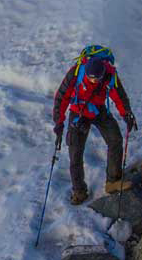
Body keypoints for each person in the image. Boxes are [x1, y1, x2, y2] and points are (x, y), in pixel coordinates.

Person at [53, 44, 137, 204]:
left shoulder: (109, 75)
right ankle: (79, 191)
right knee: (75, 152)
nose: (93, 80)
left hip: (98, 110)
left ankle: (112, 182)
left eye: (96, 78)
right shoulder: (76, 73)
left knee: (115, 140)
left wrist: (126, 113)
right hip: (78, 112)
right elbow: (61, 97)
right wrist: (59, 122)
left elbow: (119, 95)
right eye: (90, 78)